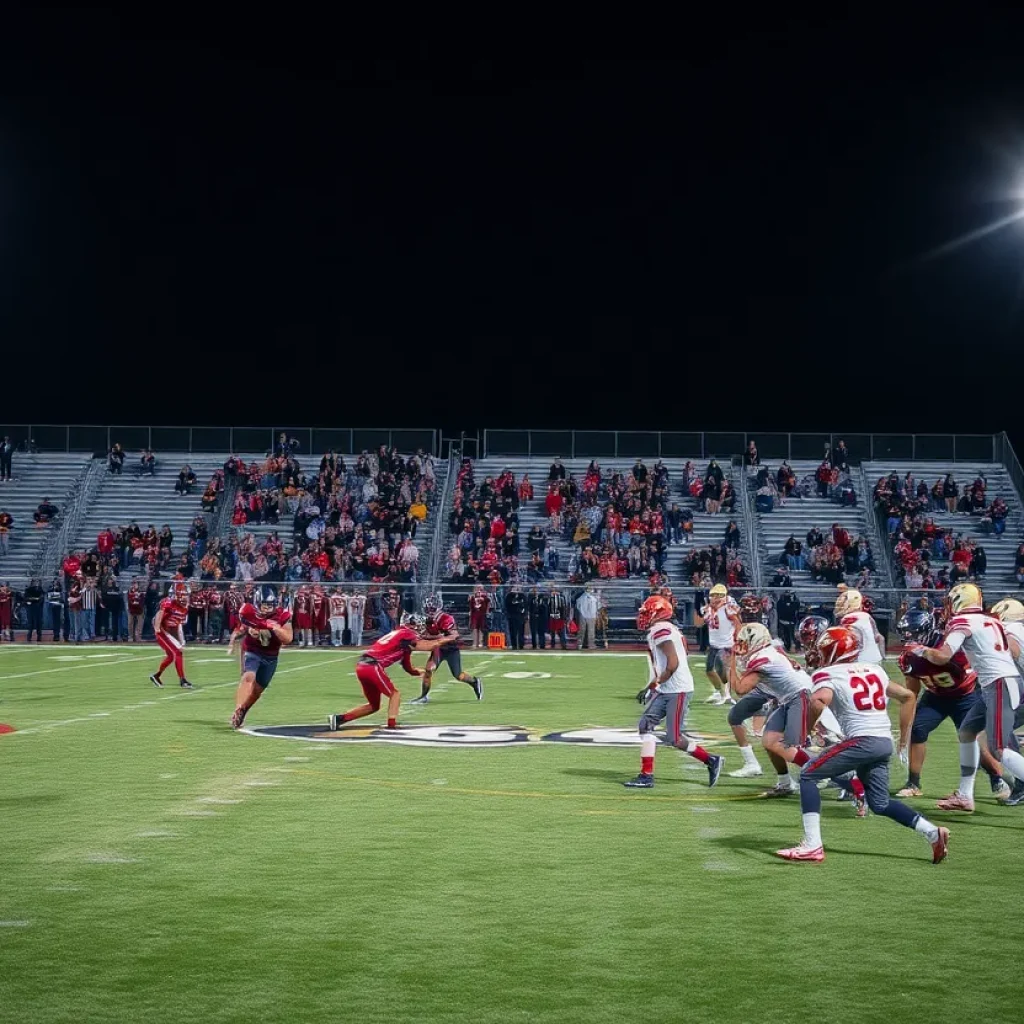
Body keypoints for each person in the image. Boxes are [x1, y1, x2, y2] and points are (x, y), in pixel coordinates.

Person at [776, 626, 948, 864]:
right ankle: (931, 832)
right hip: (882, 741)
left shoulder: (829, 674)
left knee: (808, 775)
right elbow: (908, 696)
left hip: (862, 740)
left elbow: (818, 700)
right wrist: (904, 738)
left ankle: (812, 845)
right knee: (880, 803)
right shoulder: (874, 669)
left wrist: (805, 731)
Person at [910, 583, 1024, 810]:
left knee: (998, 748)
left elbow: (942, 656)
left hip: (1000, 683)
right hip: (998, 683)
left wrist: (919, 649)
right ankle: (965, 795)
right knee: (967, 732)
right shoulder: (990, 620)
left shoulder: (961, 621)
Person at [893, 608, 1009, 801]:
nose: (909, 638)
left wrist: (928, 655)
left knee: (972, 740)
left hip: (966, 695)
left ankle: (997, 779)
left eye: (913, 633)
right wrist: (907, 725)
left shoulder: (949, 644)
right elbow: (912, 690)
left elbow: (957, 668)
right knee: (918, 730)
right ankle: (913, 783)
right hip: (936, 696)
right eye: (906, 633)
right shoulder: (907, 658)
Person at [623, 596, 725, 789]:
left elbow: (672, 663)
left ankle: (711, 760)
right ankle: (646, 775)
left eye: (646, 613)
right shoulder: (666, 629)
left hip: (677, 690)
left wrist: (655, 685)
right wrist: (652, 685)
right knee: (645, 725)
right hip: (668, 688)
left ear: (658, 613)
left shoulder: (661, 630)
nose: (643, 617)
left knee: (674, 738)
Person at [328, 613, 447, 731]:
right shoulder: (406, 633)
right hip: (372, 666)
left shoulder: (401, 638)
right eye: (418, 625)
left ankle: (339, 719)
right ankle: (391, 725)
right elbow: (428, 646)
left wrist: (419, 672)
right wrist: (449, 638)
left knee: (374, 706)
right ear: (411, 625)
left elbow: (408, 667)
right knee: (395, 694)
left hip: (362, 666)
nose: (419, 629)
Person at [228, 585, 294, 729]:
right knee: (248, 677)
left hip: (271, 657)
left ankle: (244, 710)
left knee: (257, 691)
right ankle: (238, 709)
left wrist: (275, 627)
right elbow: (241, 628)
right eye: (264, 605)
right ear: (257, 603)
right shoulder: (249, 612)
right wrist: (248, 630)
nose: (266, 609)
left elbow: (288, 638)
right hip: (253, 651)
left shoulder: (282, 615)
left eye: (270, 605)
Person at [409, 593, 482, 704]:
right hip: (439, 649)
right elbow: (426, 633)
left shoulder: (446, 618)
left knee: (458, 675)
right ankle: (423, 696)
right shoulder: (428, 620)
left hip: (451, 649)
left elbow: (453, 636)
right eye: (428, 608)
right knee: (428, 670)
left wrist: (427, 637)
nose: (429, 610)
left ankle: (474, 682)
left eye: (432, 608)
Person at [150, 581, 194, 689]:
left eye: (187, 595)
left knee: (171, 656)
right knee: (177, 653)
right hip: (162, 630)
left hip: (169, 631)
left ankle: (156, 676)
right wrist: (157, 628)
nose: (186, 598)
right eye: (184, 595)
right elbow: (159, 615)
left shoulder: (184, 607)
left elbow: (178, 624)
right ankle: (182, 680)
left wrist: (181, 640)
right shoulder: (169, 603)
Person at [703, 584, 740, 704]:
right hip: (714, 644)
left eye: (719, 596)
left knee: (722, 669)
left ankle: (728, 695)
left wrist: (738, 639)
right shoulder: (708, 609)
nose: (716, 599)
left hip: (726, 644)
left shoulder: (728, 608)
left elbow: (737, 622)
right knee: (709, 670)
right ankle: (718, 692)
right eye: (714, 596)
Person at [834, 586, 883, 664]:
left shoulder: (847, 619)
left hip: (860, 661)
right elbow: (878, 637)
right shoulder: (867, 616)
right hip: (875, 658)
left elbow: (847, 644)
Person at [575, 585, 599, 650]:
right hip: (587, 615)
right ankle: (583, 644)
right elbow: (577, 606)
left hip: (589, 615)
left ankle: (587, 644)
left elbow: (597, 607)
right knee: (584, 631)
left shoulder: (594, 598)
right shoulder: (582, 597)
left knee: (587, 631)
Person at [505, 585, 527, 650]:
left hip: (520, 616)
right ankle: (514, 645)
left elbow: (525, 605)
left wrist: (525, 614)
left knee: (521, 632)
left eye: (518, 588)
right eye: (515, 588)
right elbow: (507, 605)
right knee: (513, 632)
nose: (517, 590)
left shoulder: (523, 596)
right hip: (512, 616)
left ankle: (521, 645)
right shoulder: (509, 596)